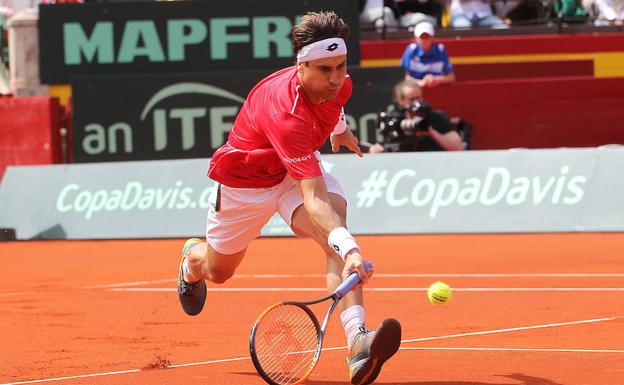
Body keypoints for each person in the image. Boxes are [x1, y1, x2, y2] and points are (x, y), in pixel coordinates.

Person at [176, 11, 401, 385]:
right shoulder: (286, 113)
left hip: (293, 171)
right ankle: (191, 261)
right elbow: (314, 198)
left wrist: (341, 130)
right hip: (247, 183)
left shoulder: (339, 83)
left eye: (341, 67)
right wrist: (352, 252)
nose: (335, 78)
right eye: (324, 70)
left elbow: (335, 103)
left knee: (334, 226)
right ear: (301, 65)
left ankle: (358, 341)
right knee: (219, 271)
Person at [369, 78, 466, 152]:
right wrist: (378, 150)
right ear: (401, 100)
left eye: (418, 98)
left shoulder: (434, 117)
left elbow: (458, 147)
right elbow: (388, 146)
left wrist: (430, 132)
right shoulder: (394, 120)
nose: (416, 103)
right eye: (412, 99)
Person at [400, 21, 455, 88]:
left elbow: (451, 77)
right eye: (422, 37)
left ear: (432, 37)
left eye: (427, 36)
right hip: (414, 92)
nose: (425, 40)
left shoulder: (441, 50)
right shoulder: (411, 50)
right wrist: (419, 82)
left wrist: (437, 80)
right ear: (416, 38)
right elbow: (403, 76)